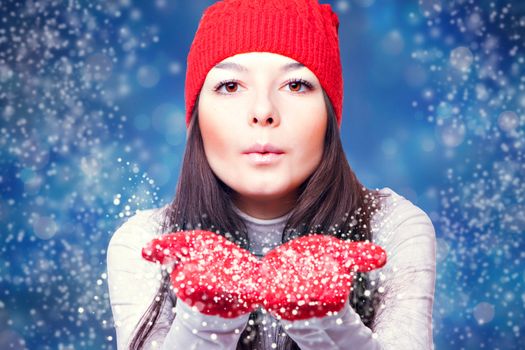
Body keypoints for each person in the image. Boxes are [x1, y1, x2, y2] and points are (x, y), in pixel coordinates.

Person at [106, 0, 437, 349]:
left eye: (295, 85)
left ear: (329, 114)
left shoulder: (391, 228)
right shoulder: (147, 243)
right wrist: (206, 323)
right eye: (231, 86)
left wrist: (328, 325)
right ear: (197, 117)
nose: (263, 111)